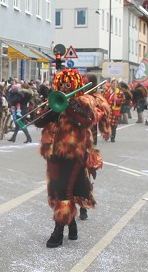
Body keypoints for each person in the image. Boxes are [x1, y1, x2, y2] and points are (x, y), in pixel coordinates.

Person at [34, 69, 101, 248]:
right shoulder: (52, 100)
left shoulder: (84, 101)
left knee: (64, 191)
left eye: (68, 84)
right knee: (56, 191)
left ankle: (58, 231)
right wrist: (50, 108)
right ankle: (71, 225)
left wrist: (68, 105)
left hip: (73, 155)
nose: (64, 87)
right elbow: (37, 121)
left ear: (75, 85)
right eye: (61, 84)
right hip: (53, 154)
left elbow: (87, 120)